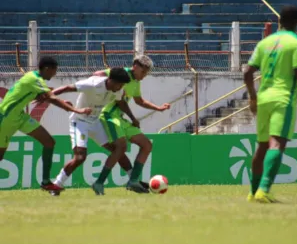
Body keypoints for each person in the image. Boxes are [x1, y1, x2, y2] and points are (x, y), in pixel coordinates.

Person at [244, 5, 297, 203]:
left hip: (263, 98)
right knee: (276, 143)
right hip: (282, 98)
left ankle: (253, 193)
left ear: (279, 21)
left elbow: (247, 72)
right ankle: (264, 190)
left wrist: (253, 97)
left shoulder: (265, 43)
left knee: (261, 146)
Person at [0, 56, 92, 191]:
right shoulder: (34, 79)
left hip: (20, 117)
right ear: (47, 69)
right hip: (6, 118)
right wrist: (77, 110)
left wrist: (59, 102)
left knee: (49, 142)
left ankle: (45, 182)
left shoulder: (36, 79)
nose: (55, 74)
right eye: (54, 71)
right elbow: (51, 97)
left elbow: (44, 97)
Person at [48, 68, 139, 195]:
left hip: (95, 123)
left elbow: (121, 103)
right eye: (120, 84)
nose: (121, 88)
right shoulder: (92, 84)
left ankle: (134, 180)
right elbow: (66, 88)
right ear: (111, 80)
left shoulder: (117, 89)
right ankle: (56, 185)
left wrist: (133, 118)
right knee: (80, 157)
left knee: (117, 149)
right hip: (79, 122)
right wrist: (47, 96)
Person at [94, 55, 171, 193]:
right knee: (121, 147)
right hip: (108, 115)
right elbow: (97, 74)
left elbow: (139, 101)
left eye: (146, 73)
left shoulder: (136, 82)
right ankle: (99, 182)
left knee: (147, 145)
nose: (144, 76)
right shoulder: (121, 73)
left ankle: (133, 181)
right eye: (143, 72)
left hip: (120, 118)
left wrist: (158, 108)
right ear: (135, 66)